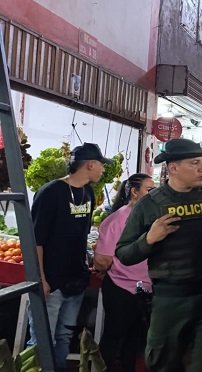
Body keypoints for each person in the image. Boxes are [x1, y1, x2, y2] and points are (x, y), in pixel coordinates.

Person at [116, 138, 202, 372]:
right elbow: (124, 253)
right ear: (173, 168)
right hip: (170, 299)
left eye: (201, 162)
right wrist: (149, 239)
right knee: (163, 362)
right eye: (194, 163)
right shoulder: (150, 204)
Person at [28, 143, 109, 370]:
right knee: (42, 341)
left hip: (76, 281)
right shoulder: (50, 192)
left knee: (64, 337)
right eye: (101, 165)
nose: (103, 170)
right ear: (90, 164)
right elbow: (36, 240)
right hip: (51, 282)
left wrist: (91, 261)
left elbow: (80, 236)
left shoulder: (88, 193)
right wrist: (41, 279)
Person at [94, 174, 155, 372]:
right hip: (121, 289)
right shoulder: (116, 220)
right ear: (134, 192)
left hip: (145, 290)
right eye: (149, 190)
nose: (153, 194)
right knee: (114, 339)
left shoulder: (153, 218)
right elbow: (102, 260)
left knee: (133, 341)